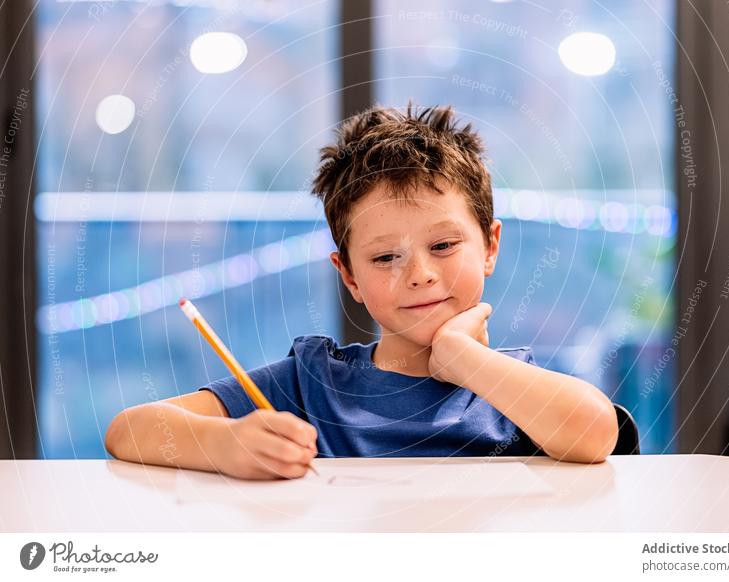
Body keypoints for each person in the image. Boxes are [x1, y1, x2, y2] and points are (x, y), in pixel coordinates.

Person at [105, 104, 618, 480]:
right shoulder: (311, 382)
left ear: (490, 244)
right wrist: (226, 443)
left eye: (442, 244)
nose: (418, 274)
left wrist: (463, 357)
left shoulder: (516, 390)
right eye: (384, 258)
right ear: (349, 276)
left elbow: (596, 432)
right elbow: (129, 430)